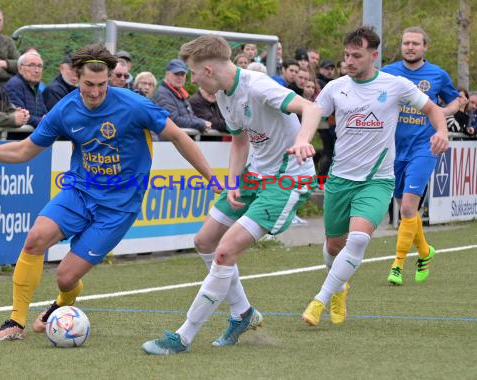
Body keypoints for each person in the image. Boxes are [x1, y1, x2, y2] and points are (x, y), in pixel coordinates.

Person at [0, 44, 217, 342]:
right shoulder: (66, 109)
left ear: (109, 79)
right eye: (88, 85)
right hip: (79, 191)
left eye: (102, 85)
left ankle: (60, 305)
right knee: (35, 239)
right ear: (75, 77)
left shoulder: (134, 105)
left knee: (65, 277)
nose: (95, 92)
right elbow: (25, 150)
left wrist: (211, 178)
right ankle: (15, 322)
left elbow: (177, 136)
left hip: (118, 207)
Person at [142, 34, 322, 355]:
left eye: (194, 73)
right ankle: (243, 313)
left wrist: (305, 140)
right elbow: (240, 142)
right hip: (255, 176)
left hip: (287, 180)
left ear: (208, 70)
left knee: (225, 252)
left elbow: (310, 107)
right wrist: (234, 181)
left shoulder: (258, 86)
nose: (192, 80)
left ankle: (183, 336)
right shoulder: (225, 93)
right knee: (205, 241)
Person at [292, 26, 448, 328]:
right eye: (346, 55)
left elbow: (433, 110)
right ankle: (339, 289)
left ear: (373, 56)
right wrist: (303, 138)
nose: (349, 61)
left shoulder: (396, 85)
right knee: (333, 248)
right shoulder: (336, 87)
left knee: (360, 238)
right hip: (340, 179)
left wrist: (441, 131)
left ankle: (320, 300)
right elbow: (313, 113)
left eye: (356, 56)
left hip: (377, 180)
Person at [382, 26, 459, 286]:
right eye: (406, 43)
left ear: (425, 47)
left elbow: (457, 101)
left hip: (425, 148)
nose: (410, 47)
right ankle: (425, 252)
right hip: (394, 149)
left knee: (406, 208)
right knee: (406, 207)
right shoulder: (388, 73)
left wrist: (442, 113)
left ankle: (398, 264)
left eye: (415, 43)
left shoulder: (437, 75)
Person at [152, 59, 210, 133]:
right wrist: (201, 124)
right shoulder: (163, 94)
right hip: (167, 142)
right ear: (167, 74)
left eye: (182, 74)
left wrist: (202, 122)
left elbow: (189, 117)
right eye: (176, 74)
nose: (180, 77)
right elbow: (173, 121)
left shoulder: (179, 93)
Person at [4, 51, 47, 132]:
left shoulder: (36, 88)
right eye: (32, 65)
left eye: (39, 66)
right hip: (17, 140)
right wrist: (43, 121)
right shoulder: (14, 85)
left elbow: (44, 113)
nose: (37, 70)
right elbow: (22, 116)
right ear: (20, 69)